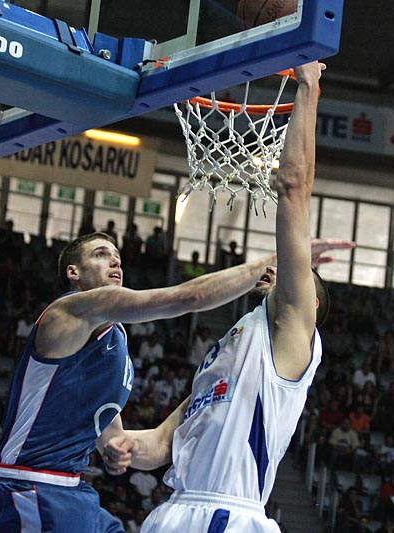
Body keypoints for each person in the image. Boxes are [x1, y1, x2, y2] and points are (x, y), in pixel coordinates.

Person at [106, 61, 352, 532]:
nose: (284, 269)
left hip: (230, 516)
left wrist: (307, 87)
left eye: (299, 274)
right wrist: (127, 448)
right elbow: (162, 442)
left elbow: (295, 189)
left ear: (310, 302)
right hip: (174, 511)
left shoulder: (293, 333)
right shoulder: (228, 349)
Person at [0, 224, 349, 529]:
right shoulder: (68, 311)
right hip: (28, 484)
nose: (115, 263)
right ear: (74, 272)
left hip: (70, 490)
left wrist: (118, 451)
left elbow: (110, 434)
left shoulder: (116, 343)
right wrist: (269, 263)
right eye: (101, 255)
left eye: (118, 258)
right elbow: (187, 298)